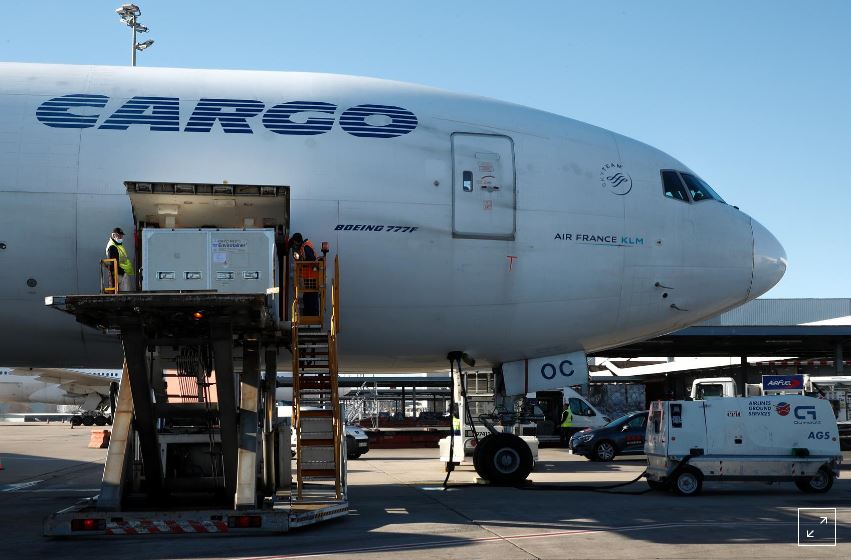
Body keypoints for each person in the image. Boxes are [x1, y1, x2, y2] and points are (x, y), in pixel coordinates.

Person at [289, 232, 319, 316]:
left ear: (297, 241)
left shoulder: (305, 247)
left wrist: (301, 262)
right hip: (308, 278)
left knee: (311, 299)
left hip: (312, 278)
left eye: (294, 243)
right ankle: (309, 315)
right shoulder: (303, 247)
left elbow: (312, 260)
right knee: (307, 298)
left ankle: (312, 317)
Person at [105, 227, 134, 292]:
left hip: (121, 273)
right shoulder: (112, 247)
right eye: (119, 235)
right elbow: (113, 264)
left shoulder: (117, 245)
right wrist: (123, 272)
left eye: (122, 235)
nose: (121, 237)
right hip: (120, 274)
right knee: (125, 294)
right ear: (113, 235)